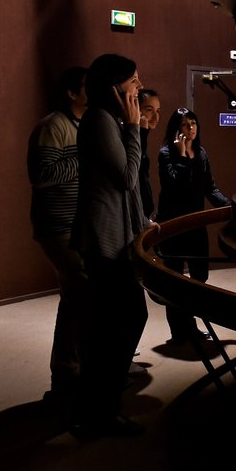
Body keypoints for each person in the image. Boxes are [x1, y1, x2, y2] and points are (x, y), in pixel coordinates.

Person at [70, 53, 151, 438]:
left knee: (117, 323)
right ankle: (100, 410)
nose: (138, 87)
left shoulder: (108, 120)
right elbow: (126, 179)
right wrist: (135, 129)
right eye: (133, 81)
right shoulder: (100, 121)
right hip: (104, 242)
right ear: (114, 88)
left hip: (114, 239)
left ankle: (100, 407)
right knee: (122, 321)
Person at [27, 66, 89, 407]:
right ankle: (67, 374)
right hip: (57, 228)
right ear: (71, 92)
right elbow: (42, 174)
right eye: (88, 86)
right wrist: (85, 158)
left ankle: (68, 371)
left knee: (75, 299)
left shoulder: (79, 125)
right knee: (80, 297)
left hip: (73, 227)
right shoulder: (53, 126)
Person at [157, 108, 231, 343]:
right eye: (185, 124)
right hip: (174, 225)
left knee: (200, 275)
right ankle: (180, 331)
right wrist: (180, 156)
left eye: (194, 123)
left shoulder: (201, 153)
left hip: (196, 224)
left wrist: (228, 207)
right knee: (174, 278)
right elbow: (173, 185)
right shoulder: (166, 153)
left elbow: (210, 186)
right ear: (176, 128)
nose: (191, 128)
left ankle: (190, 324)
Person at [137, 88, 162, 220]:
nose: (155, 117)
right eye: (149, 110)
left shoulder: (142, 136)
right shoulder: (132, 137)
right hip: (134, 214)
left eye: (158, 111)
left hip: (144, 213)